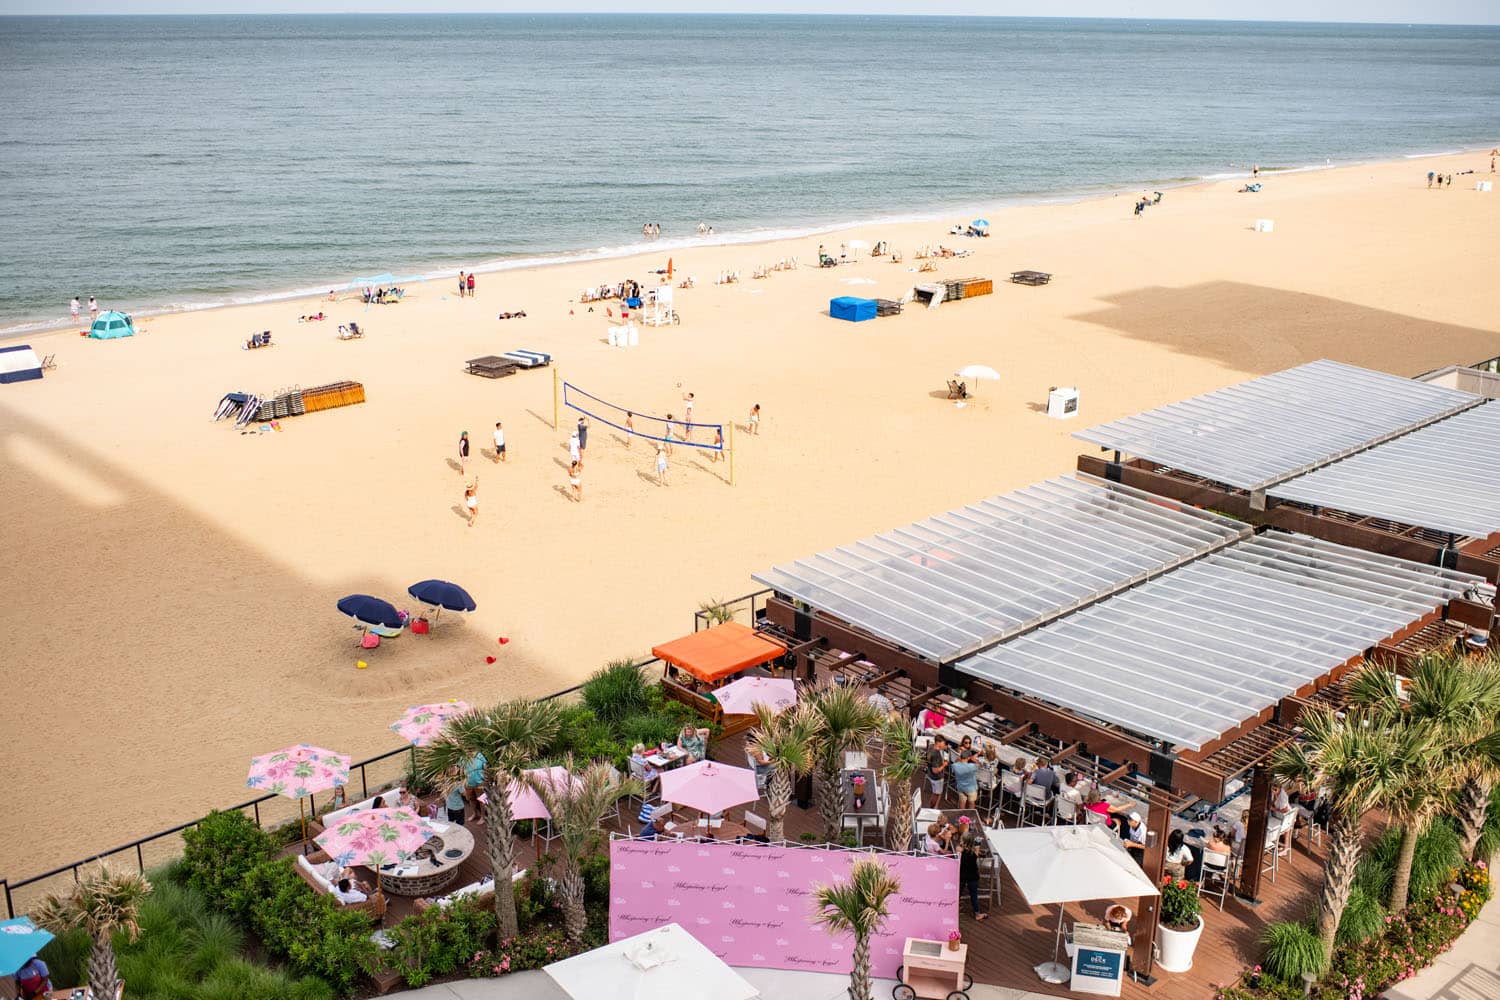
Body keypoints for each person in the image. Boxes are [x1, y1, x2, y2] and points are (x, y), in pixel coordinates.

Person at [958, 834, 988, 920]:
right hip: (973, 876)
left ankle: (953, 911)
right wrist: (978, 842)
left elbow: (959, 849)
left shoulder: (960, 851)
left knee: (958, 894)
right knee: (974, 895)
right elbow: (977, 847)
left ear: (963, 842)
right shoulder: (974, 852)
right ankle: (977, 914)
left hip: (962, 876)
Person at [925, 734, 950, 808]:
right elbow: (936, 771)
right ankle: (932, 808)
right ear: (938, 743)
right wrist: (944, 764)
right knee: (937, 794)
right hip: (937, 778)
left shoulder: (931, 746)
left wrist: (944, 748)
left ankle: (934, 807)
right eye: (943, 743)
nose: (944, 745)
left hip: (930, 774)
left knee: (935, 792)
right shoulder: (936, 755)